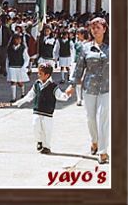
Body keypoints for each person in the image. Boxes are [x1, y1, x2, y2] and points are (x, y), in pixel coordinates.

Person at [66, 17, 109, 164]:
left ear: (104, 29)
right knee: (90, 118)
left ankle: (103, 151)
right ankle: (94, 141)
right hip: (89, 87)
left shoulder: (112, 47)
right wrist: (72, 84)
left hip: (107, 87)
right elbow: (79, 67)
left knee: (103, 119)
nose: (95, 30)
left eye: (98, 27)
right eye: (93, 28)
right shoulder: (85, 47)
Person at [13, 63, 71, 154]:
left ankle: (46, 146)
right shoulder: (37, 84)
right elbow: (30, 95)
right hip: (37, 110)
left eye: (40, 73)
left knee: (47, 130)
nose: (38, 75)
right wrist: (21, 101)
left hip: (47, 112)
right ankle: (39, 141)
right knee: (35, 127)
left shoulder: (53, 86)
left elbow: (60, 96)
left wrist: (67, 94)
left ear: (47, 75)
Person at [6, 34, 30, 102]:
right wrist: (7, 68)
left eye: (19, 39)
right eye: (16, 39)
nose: (18, 40)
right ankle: (13, 97)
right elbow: (7, 59)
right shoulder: (9, 48)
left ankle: (22, 93)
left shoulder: (23, 48)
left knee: (20, 82)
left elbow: (26, 58)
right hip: (12, 66)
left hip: (20, 67)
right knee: (13, 82)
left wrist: (24, 66)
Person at [71, 27, 89, 106]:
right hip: (77, 63)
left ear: (83, 34)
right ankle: (79, 99)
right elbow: (74, 53)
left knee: (85, 81)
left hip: (86, 64)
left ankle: (85, 98)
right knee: (78, 81)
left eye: (78, 34)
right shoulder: (76, 43)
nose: (77, 36)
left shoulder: (88, 43)